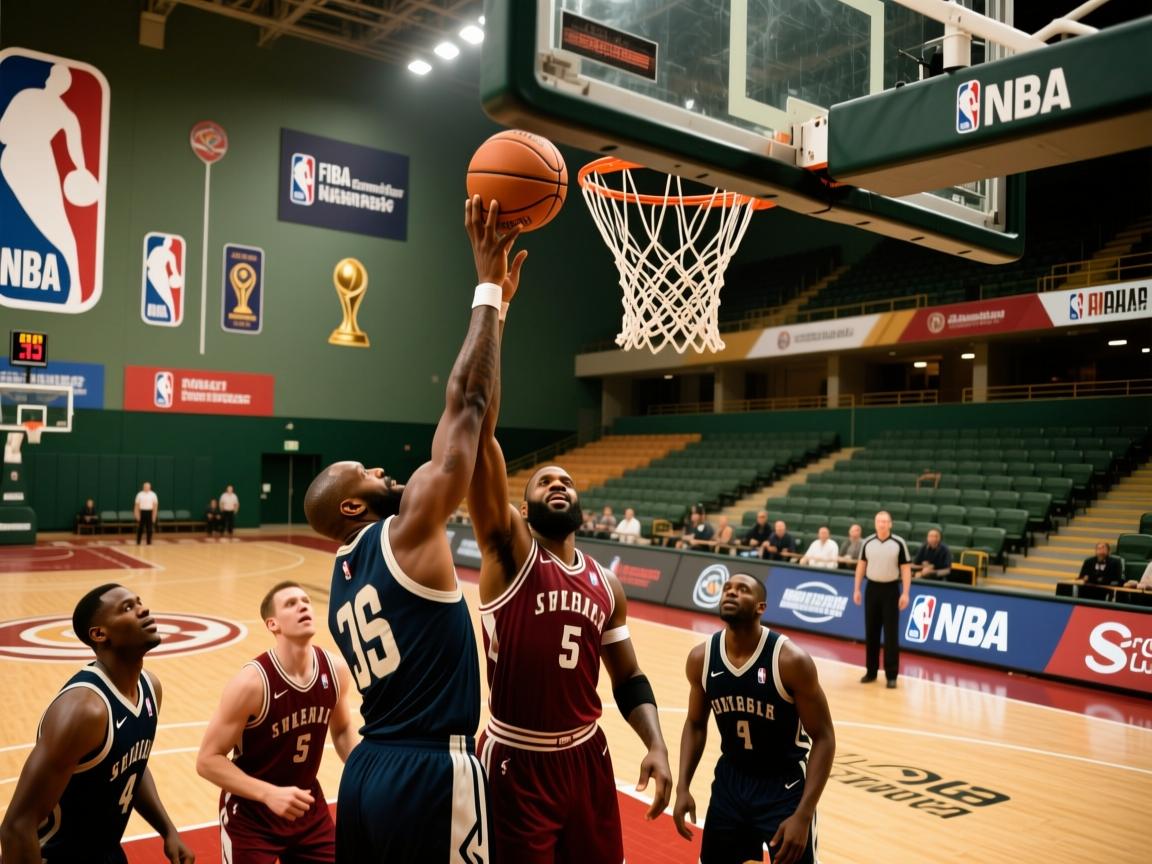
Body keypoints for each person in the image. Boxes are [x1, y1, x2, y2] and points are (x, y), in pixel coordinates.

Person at [301, 195, 521, 862]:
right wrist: (486, 286)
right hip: (432, 770)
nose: (378, 469)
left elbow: (473, 430)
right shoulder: (407, 533)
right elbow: (468, 404)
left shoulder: (343, 586)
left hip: (367, 773)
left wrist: (501, 315)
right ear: (350, 507)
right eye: (362, 471)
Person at [463, 253, 672, 863]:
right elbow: (478, 426)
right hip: (516, 759)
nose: (559, 484)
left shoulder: (608, 585)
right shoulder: (510, 553)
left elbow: (628, 677)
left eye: (567, 481)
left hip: (587, 756)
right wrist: (497, 305)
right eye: (544, 481)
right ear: (522, 509)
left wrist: (655, 743)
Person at [0, 583, 194, 863]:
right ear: (100, 634)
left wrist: (168, 830)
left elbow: (131, 764)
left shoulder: (150, 687)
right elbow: (16, 828)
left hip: (107, 854)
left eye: (139, 602)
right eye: (128, 608)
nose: (144, 609)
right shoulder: (85, 711)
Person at [673, 573, 835, 864]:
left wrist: (803, 813)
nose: (731, 593)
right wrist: (683, 786)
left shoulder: (790, 661)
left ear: (761, 607)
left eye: (742, 590)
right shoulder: (702, 658)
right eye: (727, 588)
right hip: (730, 782)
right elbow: (695, 724)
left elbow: (824, 737)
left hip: (784, 787)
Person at [196, 581, 358, 863]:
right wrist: (269, 794)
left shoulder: (335, 670)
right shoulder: (251, 683)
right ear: (273, 624)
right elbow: (207, 760)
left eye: (305, 600)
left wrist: (364, 771)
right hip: (251, 814)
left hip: (306, 806)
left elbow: (342, 729)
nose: (303, 606)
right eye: (291, 604)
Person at [853, 511, 911, 689]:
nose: (882, 524)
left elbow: (906, 569)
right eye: (879, 521)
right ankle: (871, 672)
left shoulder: (899, 543)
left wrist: (905, 593)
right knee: (871, 632)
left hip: (891, 590)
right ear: (875, 523)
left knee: (891, 634)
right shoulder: (868, 542)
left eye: (885, 521)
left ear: (890, 524)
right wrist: (856, 588)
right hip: (872, 589)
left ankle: (891, 675)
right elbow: (861, 566)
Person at [134, 481, 158, 545]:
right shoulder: (139, 494)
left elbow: (155, 506)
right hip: (142, 512)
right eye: (145, 486)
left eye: (148, 487)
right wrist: (137, 515)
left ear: (150, 487)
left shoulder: (153, 495)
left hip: (150, 512)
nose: (146, 488)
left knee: (149, 529)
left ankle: (149, 542)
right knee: (140, 528)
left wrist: (154, 516)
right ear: (143, 487)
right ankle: (138, 542)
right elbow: (136, 506)